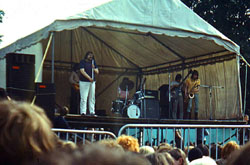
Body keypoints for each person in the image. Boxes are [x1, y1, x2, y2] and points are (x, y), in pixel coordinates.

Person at [79, 51, 99, 116]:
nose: (91, 56)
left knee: (92, 97)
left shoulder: (93, 63)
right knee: (84, 98)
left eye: (92, 55)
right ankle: (83, 112)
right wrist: (89, 78)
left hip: (92, 82)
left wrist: (93, 68)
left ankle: (92, 111)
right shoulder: (83, 62)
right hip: (84, 82)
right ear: (86, 55)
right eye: (89, 55)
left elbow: (97, 71)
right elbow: (82, 71)